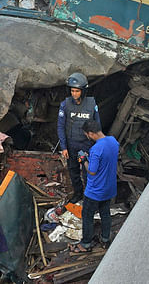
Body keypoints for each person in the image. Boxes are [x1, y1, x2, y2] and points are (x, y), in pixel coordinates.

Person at [69, 120, 119, 253]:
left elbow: (92, 170)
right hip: (109, 188)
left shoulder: (96, 149)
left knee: (87, 215)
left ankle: (85, 244)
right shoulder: (113, 141)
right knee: (105, 213)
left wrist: (84, 159)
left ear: (91, 133)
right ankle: (105, 238)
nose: (87, 137)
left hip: (95, 190)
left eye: (87, 134)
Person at [57, 73, 101, 203]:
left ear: (83, 91)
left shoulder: (92, 104)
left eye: (77, 91)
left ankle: (89, 196)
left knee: (88, 171)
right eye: (72, 91)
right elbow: (60, 126)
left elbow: (97, 126)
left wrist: (96, 145)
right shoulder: (65, 105)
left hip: (86, 145)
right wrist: (64, 147)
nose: (74, 94)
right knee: (73, 170)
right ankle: (78, 193)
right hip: (71, 145)